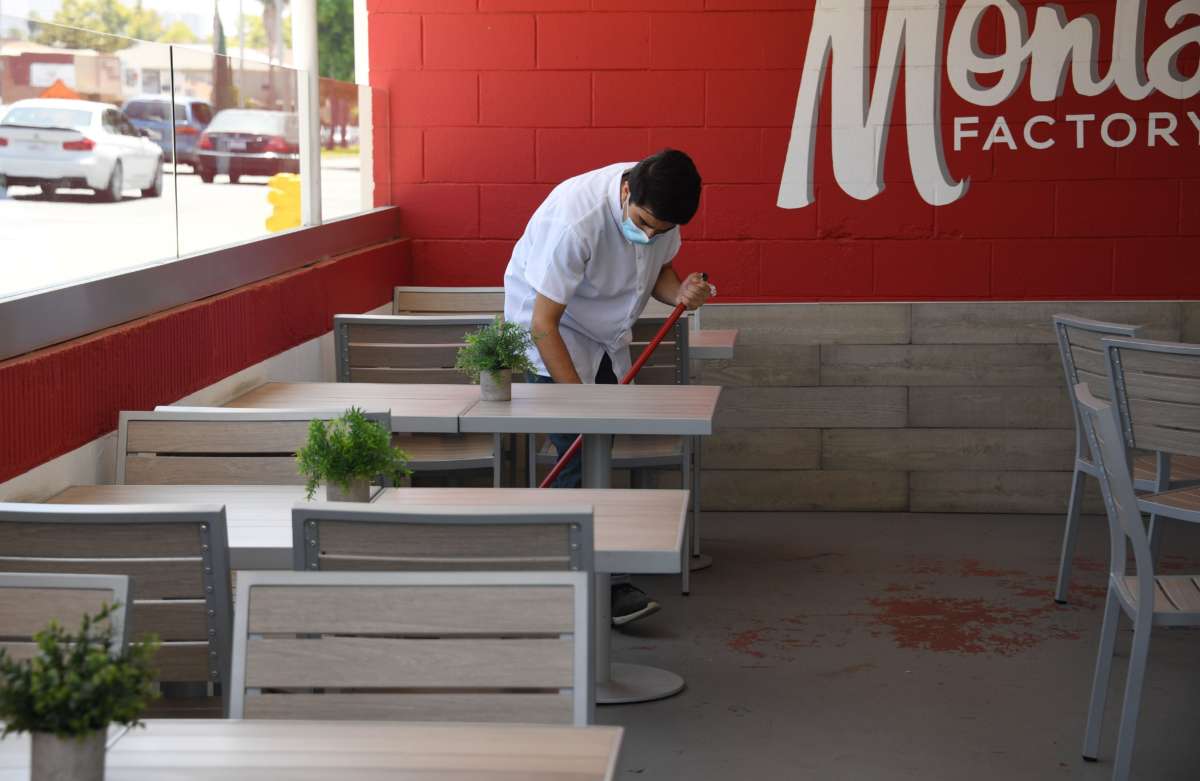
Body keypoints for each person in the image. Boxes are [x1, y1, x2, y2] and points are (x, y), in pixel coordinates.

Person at [503, 149, 712, 626]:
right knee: (576, 456)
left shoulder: (661, 207)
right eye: (644, 223)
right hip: (552, 335)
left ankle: (579, 573)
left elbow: (657, 270)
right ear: (625, 192)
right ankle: (596, 587)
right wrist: (578, 399)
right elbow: (542, 323)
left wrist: (679, 293)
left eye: (662, 230)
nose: (651, 235)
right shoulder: (577, 219)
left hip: (604, 336)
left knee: (595, 454)